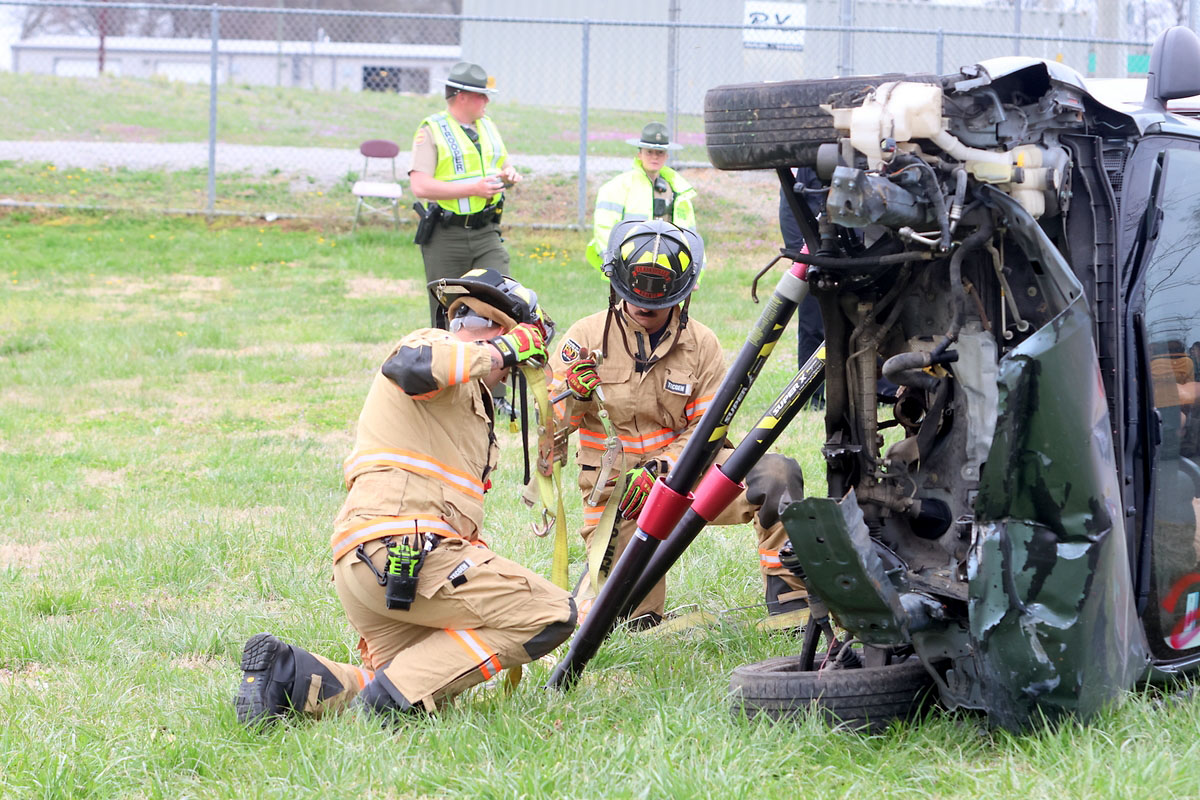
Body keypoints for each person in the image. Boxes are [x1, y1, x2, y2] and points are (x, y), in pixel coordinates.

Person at [235, 269, 577, 725]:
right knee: (551, 613)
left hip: (369, 563)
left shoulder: (462, 397)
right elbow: (411, 367)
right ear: (500, 328)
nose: (513, 372)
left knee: (427, 689)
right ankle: (389, 698)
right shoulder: (433, 343)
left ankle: (291, 680)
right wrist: (501, 351)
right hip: (406, 550)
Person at [551, 220, 808, 627]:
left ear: (683, 295)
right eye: (633, 297)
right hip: (622, 501)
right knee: (623, 624)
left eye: (658, 301)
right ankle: (628, 603)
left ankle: (791, 600)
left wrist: (662, 469)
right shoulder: (584, 337)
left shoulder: (702, 345)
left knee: (776, 474)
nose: (645, 308)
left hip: (688, 476)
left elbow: (709, 429)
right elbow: (550, 434)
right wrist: (573, 394)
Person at [409, 62, 521, 325]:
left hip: (486, 233)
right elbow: (420, 186)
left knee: (502, 296)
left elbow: (503, 165)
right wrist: (473, 189)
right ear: (462, 97)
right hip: (447, 238)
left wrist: (509, 176)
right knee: (448, 307)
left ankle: (499, 360)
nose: (486, 101)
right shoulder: (432, 130)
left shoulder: (488, 127)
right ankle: (448, 362)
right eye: (481, 95)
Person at [585, 122, 697, 271]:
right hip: (628, 267)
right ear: (639, 154)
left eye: (660, 153)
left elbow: (690, 235)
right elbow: (604, 228)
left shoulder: (678, 190)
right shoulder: (618, 186)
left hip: (669, 268)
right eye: (649, 152)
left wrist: (694, 273)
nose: (654, 157)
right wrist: (613, 264)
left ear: (667, 156)